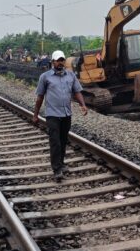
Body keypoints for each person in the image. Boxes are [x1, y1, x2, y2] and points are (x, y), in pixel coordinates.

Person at [33, 50, 88, 181]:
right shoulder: (45, 77)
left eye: (62, 60)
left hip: (66, 114)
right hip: (52, 115)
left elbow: (77, 91)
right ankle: (56, 169)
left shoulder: (70, 76)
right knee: (55, 142)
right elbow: (40, 97)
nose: (60, 63)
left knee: (63, 140)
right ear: (53, 62)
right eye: (58, 60)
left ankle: (61, 164)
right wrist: (35, 114)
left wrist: (83, 105)